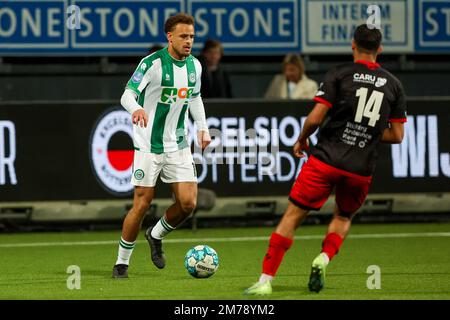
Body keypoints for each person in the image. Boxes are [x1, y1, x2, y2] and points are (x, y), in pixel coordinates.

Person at [244, 24, 407, 295]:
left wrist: (301, 138)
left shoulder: (340, 74)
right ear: (379, 49)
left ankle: (265, 280)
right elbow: (397, 135)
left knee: (293, 215)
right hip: (360, 167)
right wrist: (366, 133)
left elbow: (316, 118)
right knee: (343, 216)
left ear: (352, 45)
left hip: (325, 160)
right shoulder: (394, 85)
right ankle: (324, 257)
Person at [112, 13, 211, 278]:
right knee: (142, 204)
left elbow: (195, 98)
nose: (188, 41)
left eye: (191, 36)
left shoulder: (195, 67)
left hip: (178, 145)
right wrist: (136, 109)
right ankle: (122, 263)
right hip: (148, 145)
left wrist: (202, 128)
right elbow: (127, 94)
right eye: (183, 36)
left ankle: (155, 235)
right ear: (169, 36)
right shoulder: (152, 64)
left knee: (188, 204)